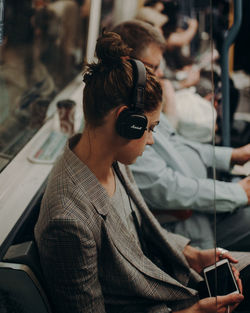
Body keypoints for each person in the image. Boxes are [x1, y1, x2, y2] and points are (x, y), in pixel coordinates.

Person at [35, 30, 249, 312]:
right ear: (126, 121)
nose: (150, 140)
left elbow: (136, 235)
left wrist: (192, 255)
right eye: (149, 129)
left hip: (172, 276)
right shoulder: (68, 221)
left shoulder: (109, 160)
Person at [112, 20, 250, 251]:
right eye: (153, 67)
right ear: (128, 65)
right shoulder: (127, 125)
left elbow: (179, 143)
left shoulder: (144, 105)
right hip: (190, 226)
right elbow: (167, 188)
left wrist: (232, 155)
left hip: (205, 204)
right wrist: (237, 193)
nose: (160, 74)